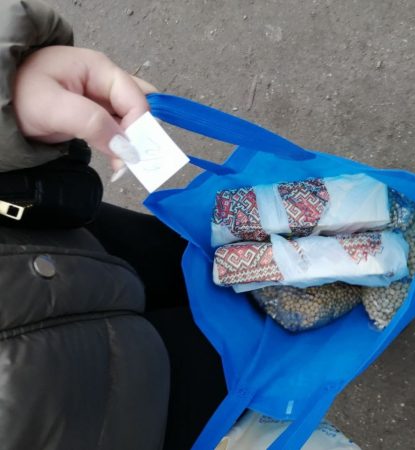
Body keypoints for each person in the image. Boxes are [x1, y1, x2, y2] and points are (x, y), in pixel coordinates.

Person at [0, 1, 226, 449]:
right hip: (96, 417)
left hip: (51, 234)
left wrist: (8, 96)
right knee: (256, 367)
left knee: (203, 259)